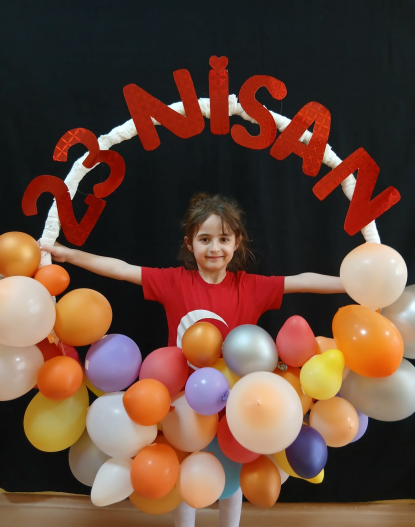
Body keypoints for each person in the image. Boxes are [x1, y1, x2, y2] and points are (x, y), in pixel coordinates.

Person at [41, 193, 345, 527]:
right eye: (205, 239)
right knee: (186, 469)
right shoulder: (174, 282)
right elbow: (122, 270)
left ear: (237, 243)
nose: (215, 248)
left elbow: (302, 281)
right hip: (183, 400)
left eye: (224, 239)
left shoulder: (251, 287)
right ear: (190, 243)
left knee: (233, 467)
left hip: (234, 400)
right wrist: (69, 255)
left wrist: (351, 284)